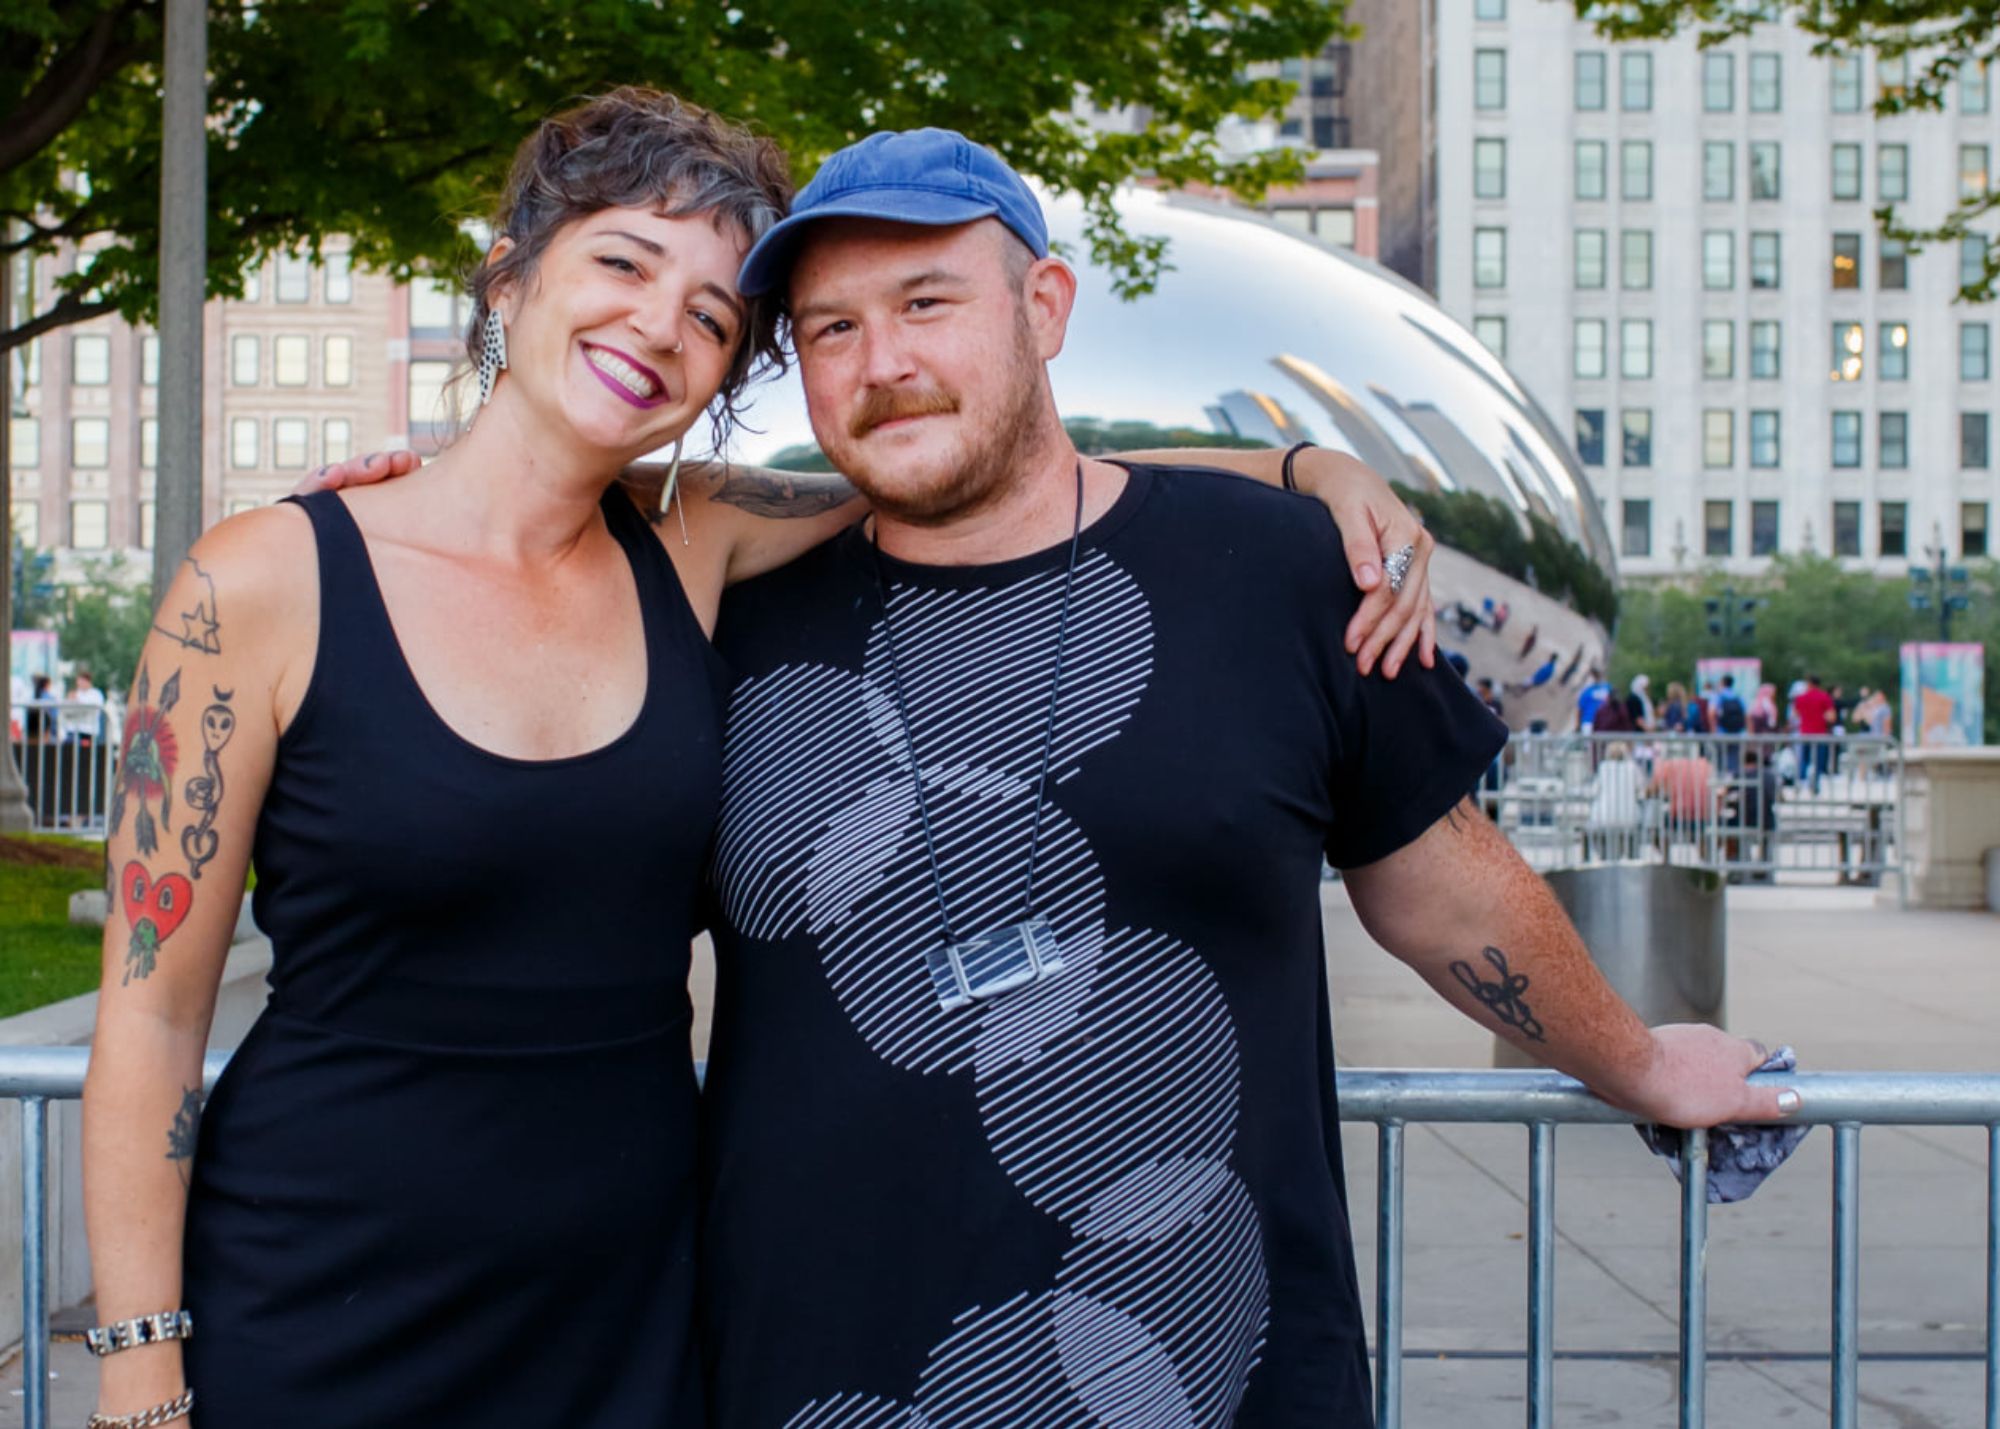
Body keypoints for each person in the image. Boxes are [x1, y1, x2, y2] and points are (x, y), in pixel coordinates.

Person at [174, 98, 1439, 1429]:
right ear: (511, 273)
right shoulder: (283, 572)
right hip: (325, 1269)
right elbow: (150, 1022)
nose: (662, 326)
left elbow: (985, 458)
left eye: (715, 316)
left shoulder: (695, 543)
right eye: (621, 264)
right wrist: (143, 1377)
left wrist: (1306, 464)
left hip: (621, 1294)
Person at [690, 129, 1793, 1427]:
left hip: (1218, 1375)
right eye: (830, 329)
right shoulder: (716, 611)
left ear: (1044, 309)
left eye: (927, 303)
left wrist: (1643, 1065)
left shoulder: (1280, 572)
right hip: (814, 1381)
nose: (884, 364)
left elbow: (1443, 892)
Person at [1793, 673, 1836, 792]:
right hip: (1820, 733)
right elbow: (1831, 716)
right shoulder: (1824, 697)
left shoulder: (1800, 698)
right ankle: (1815, 785)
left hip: (1805, 733)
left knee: (1804, 760)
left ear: (1809, 683)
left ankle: (1800, 782)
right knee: (1818, 761)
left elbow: (1795, 715)